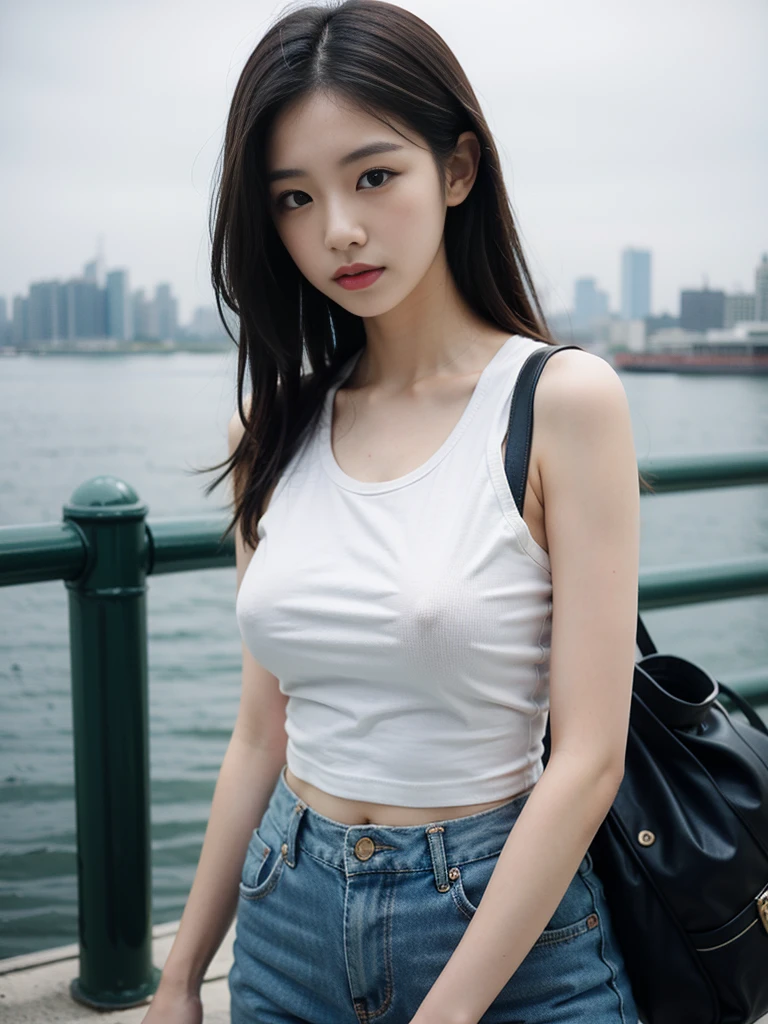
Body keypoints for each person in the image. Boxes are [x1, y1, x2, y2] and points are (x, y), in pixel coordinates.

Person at [142, 1, 642, 1021]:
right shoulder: (271, 427)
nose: (338, 229)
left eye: (374, 175)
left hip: (501, 922)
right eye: (293, 197)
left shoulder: (560, 403)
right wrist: (181, 975)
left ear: (457, 171)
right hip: (286, 912)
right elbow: (258, 732)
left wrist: (450, 1010)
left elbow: (589, 757)